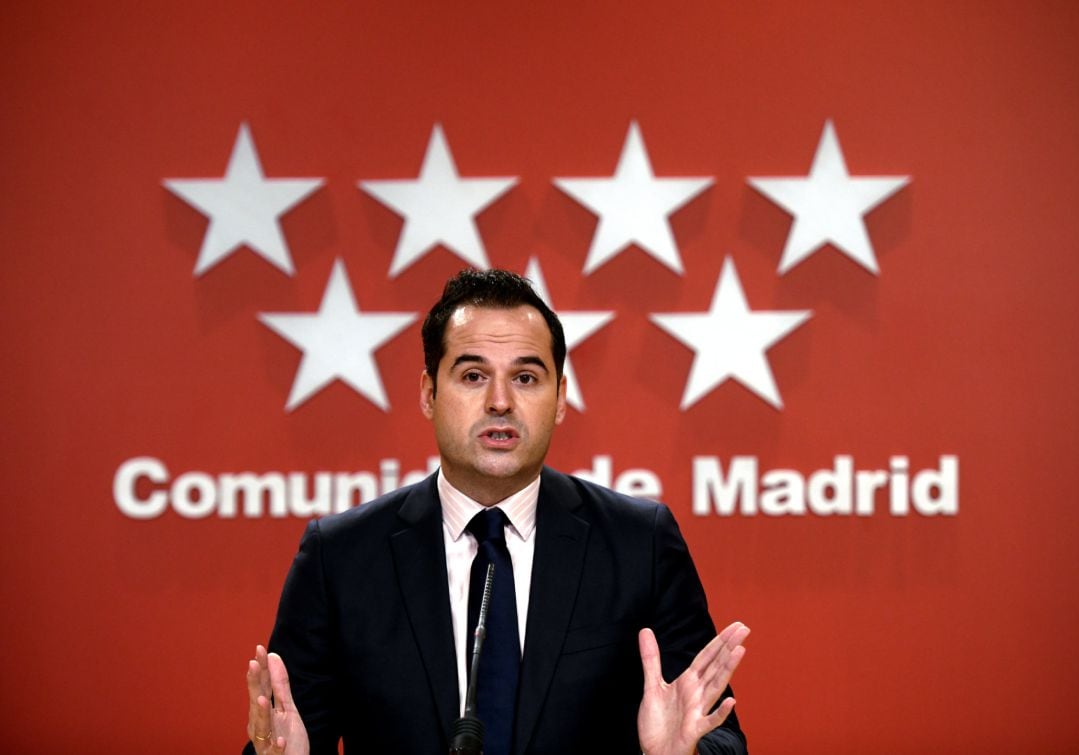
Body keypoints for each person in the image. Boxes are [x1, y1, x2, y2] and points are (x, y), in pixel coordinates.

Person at [245, 269, 749, 754]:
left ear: (560, 399)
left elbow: (721, 737)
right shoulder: (341, 557)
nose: (500, 401)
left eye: (527, 377)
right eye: (472, 375)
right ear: (429, 394)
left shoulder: (639, 544)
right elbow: (284, 739)